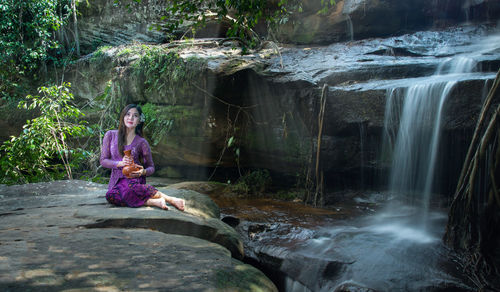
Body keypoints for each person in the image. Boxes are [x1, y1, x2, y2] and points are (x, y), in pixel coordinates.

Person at [100, 104, 185, 211]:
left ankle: (171, 199)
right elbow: (103, 160)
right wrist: (119, 163)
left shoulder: (142, 142)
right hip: (116, 182)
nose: (130, 118)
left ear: (139, 120)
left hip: (133, 180)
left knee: (129, 188)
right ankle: (153, 201)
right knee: (111, 195)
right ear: (123, 117)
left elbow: (151, 168)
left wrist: (142, 172)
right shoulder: (110, 135)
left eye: (135, 116)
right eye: (128, 114)